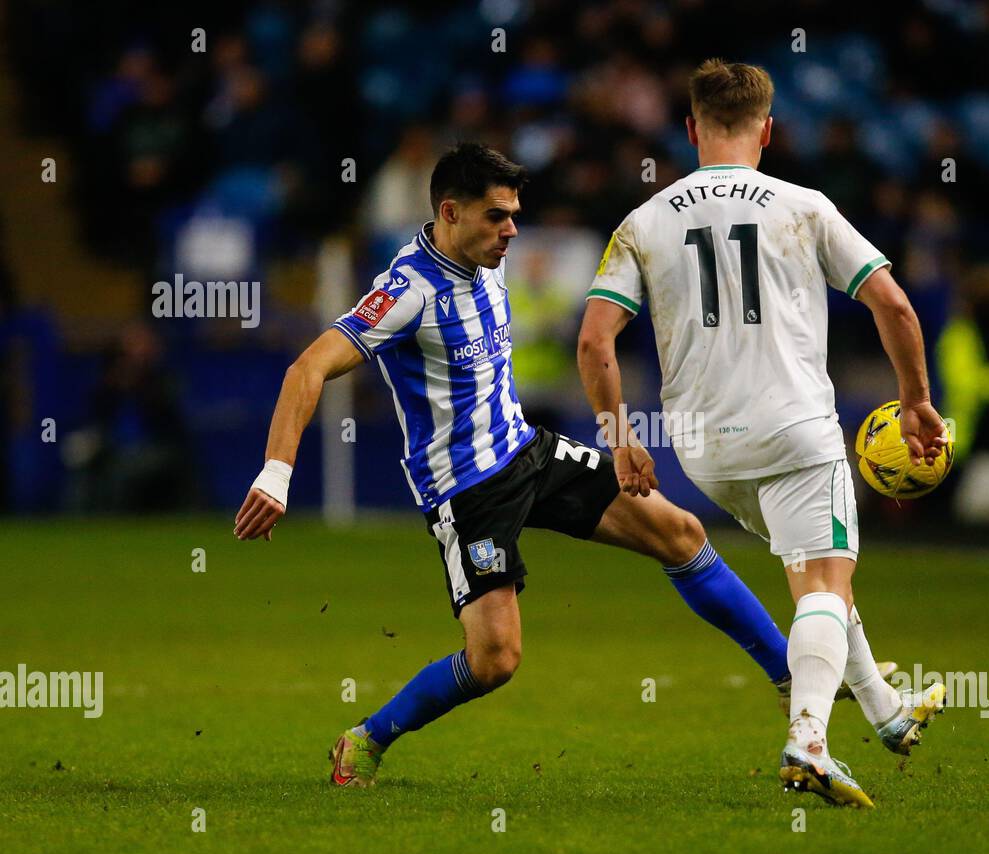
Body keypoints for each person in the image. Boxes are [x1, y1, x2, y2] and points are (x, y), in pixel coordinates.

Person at [234, 143, 804, 788]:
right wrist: (275, 473)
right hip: (468, 489)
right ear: (449, 212)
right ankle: (366, 737)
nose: (511, 230)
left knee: (681, 533)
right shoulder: (405, 291)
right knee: (495, 660)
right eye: (496, 216)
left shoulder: (489, 260)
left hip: (527, 450)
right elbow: (306, 367)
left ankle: (791, 675)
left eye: (514, 215)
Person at [577, 60, 949, 807]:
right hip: (794, 429)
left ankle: (884, 711)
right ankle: (808, 742)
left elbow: (594, 342)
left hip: (704, 449)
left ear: (689, 130)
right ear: (769, 129)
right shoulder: (803, 205)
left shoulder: (644, 222)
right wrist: (916, 401)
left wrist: (619, 437)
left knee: (816, 574)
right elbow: (896, 307)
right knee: (823, 579)